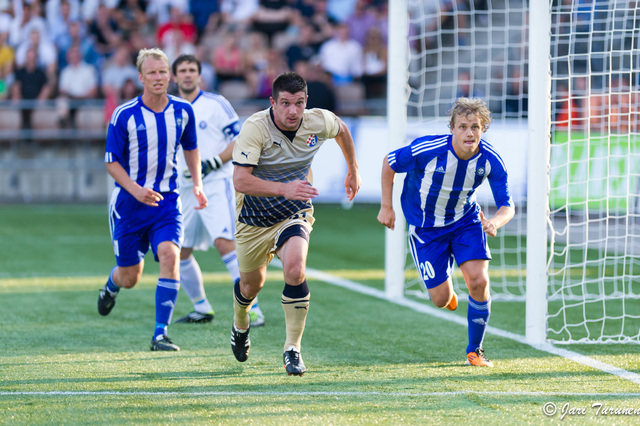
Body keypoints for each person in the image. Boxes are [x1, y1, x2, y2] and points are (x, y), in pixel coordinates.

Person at [230, 71, 361, 375]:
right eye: (285, 103)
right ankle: (240, 323)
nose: (293, 111)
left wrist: (353, 169)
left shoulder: (317, 120)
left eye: (299, 103)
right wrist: (283, 188)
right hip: (254, 218)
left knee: (294, 268)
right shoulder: (255, 128)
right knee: (251, 285)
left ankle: (292, 349)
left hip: (295, 210)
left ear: (306, 103)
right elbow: (240, 180)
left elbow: (341, 129)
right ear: (272, 102)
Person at [377, 97, 515, 368]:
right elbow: (389, 163)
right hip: (427, 230)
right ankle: (448, 292)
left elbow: (507, 205)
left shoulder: (490, 160)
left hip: (465, 222)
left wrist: (494, 223)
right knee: (440, 300)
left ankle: (475, 350)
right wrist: (386, 206)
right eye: (463, 126)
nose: (469, 132)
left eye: (475, 127)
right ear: (452, 128)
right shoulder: (428, 149)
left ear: (483, 129)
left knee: (479, 282)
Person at [98, 47, 208, 352]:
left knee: (171, 256)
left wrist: (197, 184)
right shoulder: (125, 114)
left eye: (163, 71)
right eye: (152, 73)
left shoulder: (183, 111)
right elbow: (111, 162)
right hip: (130, 206)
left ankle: (161, 333)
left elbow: (192, 149)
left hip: (167, 202)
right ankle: (111, 285)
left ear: (169, 75)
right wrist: (135, 190)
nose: (158, 77)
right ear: (140, 77)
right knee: (130, 278)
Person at [171, 53, 266, 327]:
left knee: (225, 242)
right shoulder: (170, 107)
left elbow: (239, 140)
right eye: (183, 70)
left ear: (199, 75)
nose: (187, 74)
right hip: (184, 187)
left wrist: (213, 162)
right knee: (180, 251)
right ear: (175, 77)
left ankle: (253, 310)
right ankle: (201, 308)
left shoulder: (215, 104)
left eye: (192, 69)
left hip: (214, 183)